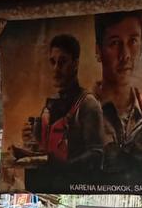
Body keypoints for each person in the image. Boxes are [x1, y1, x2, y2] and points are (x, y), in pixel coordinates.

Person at [23, 33, 106, 166]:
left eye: (62, 62)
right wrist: (30, 140)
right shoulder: (49, 106)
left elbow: (97, 155)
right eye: (53, 62)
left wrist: (61, 166)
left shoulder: (88, 104)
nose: (56, 68)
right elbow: (44, 150)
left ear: (75, 64)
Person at [93, 11, 142, 152]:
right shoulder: (84, 112)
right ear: (98, 50)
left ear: (141, 47)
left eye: (133, 41)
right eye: (115, 43)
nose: (125, 55)